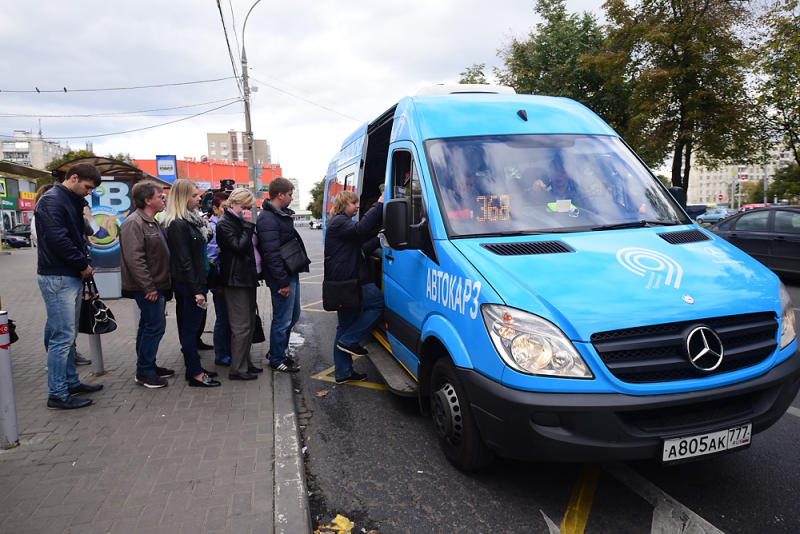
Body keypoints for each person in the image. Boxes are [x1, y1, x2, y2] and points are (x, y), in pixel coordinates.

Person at [35, 163, 104, 409]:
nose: (88, 192)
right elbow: (59, 240)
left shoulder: (67, 200)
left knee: (67, 335)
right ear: (73, 178)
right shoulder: (53, 201)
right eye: (87, 187)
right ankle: (57, 393)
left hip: (67, 275)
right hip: (59, 276)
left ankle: (70, 383)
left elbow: (77, 236)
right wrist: (81, 263)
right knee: (62, 337)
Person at [162, 179, 220, 387]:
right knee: (189, 329)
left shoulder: (192, 220)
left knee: (193, 328)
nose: (199, 199)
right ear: (183, 197)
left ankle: (195, 368)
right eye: (195, 195)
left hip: (198, 281)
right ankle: (194, 373)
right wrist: (197, 290)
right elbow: (184, 260)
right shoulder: (178, 224)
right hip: (190, 285)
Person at [324, 190, 385, 383]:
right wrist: (379, 204)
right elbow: (360, 230)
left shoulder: (341, 223)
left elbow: (359, 248)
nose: (357, 206)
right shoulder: (339, 222)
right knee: (376, 304)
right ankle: (350, 341)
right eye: (354, 203)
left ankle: (343, 373)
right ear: (344, 205)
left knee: (344, 326)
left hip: (344, 281)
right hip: (349, 281)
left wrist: (378, 239)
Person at [119, 181, 174, 389]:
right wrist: (148, 287)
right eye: (159, 196)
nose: (163, 199)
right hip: (148, 287)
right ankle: (144, 371)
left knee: (148, 325)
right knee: (155, 326)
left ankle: (147, 365)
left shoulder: (152, 221)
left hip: (157, 283)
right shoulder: (134, 223)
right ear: (147, 200)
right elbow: (135, 259)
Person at [256, 177, 307, 373]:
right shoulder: (268, 218)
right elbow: (271, 254)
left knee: (293, 315)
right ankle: (277, 358)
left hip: (289, 273)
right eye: (290, 194)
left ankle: (277, 351)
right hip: (282, 277)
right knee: (283, 319)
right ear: (280, 195)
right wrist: (282, 282)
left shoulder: (278, 214)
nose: (291, 198)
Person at [216, 188, 262, 380]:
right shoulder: (225, 223)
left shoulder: (236, 221)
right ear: (234, 204)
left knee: (249, 324)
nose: (247, 210)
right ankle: (238, 369)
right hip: (236, 281)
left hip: (246, 278)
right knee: (241, 327)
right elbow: (239, 247)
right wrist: (247, 224)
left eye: (249, 207)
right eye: (244, 206)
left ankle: (246, 363)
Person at [207, 192, 232, 367]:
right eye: (224, 207)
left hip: (228, 279)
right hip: (221, 281)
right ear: (215, 209)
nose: (227, 210)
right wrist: (218, 283)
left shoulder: (223, 224)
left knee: (228, 318)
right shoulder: (214, 227)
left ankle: (227, 352)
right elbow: (212, 258)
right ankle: (222, 355)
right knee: (223, 318)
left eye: (229, 207)